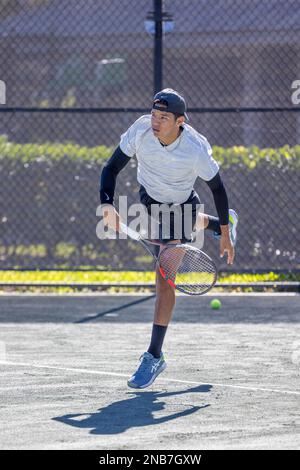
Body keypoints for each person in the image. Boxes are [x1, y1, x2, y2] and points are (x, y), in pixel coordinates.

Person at [99, 88, 238, 389]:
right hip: (150, 197)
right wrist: (107, 204)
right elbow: (110, 168)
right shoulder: (140, 131)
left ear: (180, 121)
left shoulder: (195, 149)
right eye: (154, 114)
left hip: (181, 203)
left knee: (164, 276)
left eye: (164, 117)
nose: (156, 122)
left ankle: (154, 355)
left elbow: (218, 190)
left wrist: (226, 237)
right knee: (184, 231)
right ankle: (214, 225)